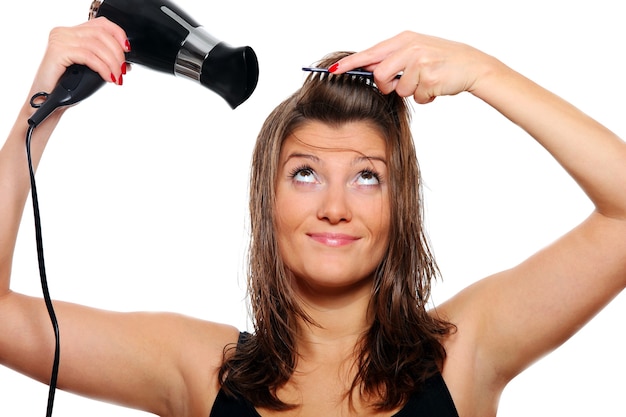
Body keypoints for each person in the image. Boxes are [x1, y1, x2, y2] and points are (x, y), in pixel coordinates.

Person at [1, 16, 625, 417]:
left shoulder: (466, 354)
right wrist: (43, 103)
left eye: (366, 176)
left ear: (399, 205)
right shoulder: (197, 369)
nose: (334, 206)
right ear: (266, 200)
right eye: (305, 172)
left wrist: (485, 72)